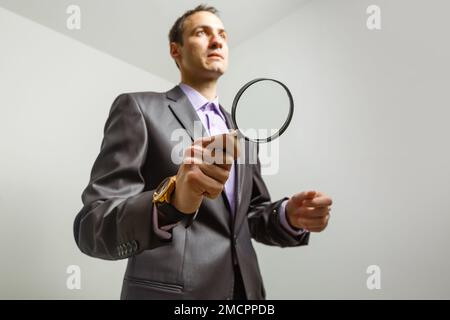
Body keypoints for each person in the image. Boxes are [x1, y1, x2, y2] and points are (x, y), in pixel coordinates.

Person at [73, 4, 333, 300]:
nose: (217, 40)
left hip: (246, 295)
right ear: (176, 50)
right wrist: (170, 201)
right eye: (202, 32)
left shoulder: (242, 131)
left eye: (222, 34)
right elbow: (92, 225)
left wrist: (288, 215)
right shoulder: (139, 108)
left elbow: (248, 219)